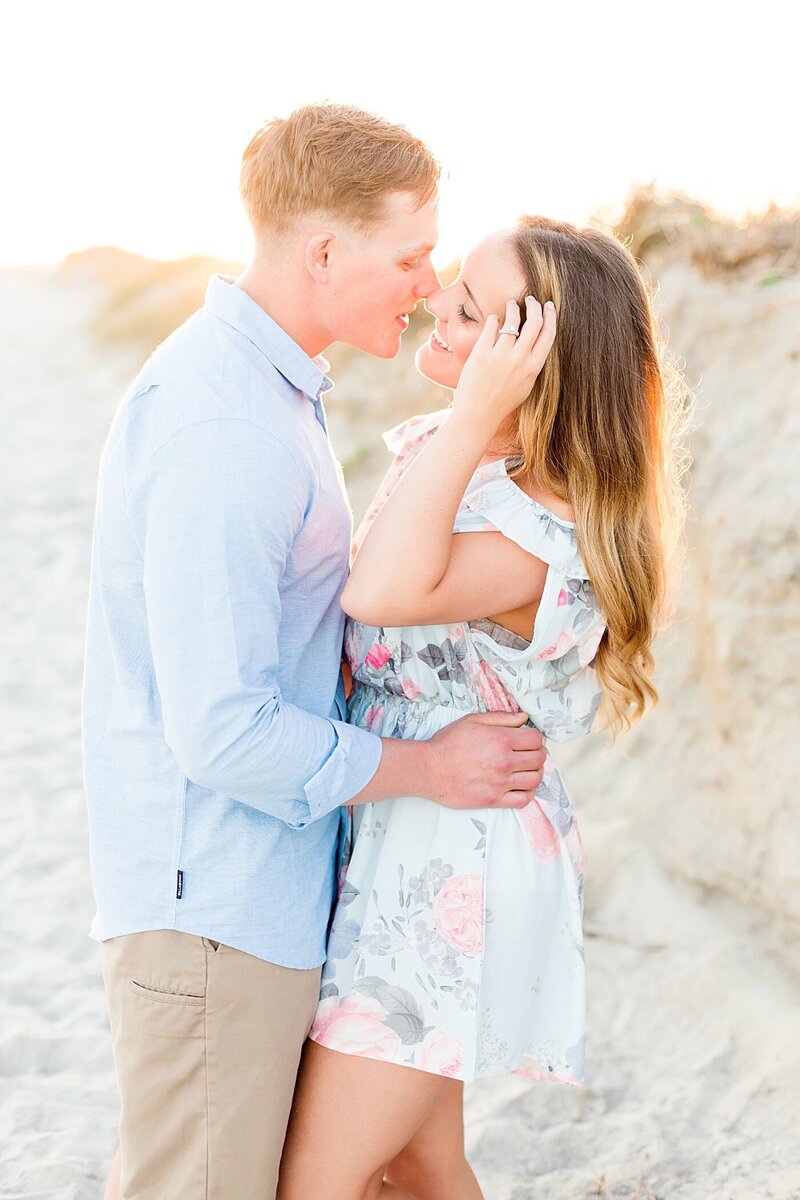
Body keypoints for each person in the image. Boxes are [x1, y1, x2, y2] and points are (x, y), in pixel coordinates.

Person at [87, 105, 549, 1200]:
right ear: (324, 252)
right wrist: (429, 769)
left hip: (262, 899)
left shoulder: (265, 394)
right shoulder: (227, 428)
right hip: (215, 914)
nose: (430, 286)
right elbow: (221, 728)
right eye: (410, 256)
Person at [276, 216, 689, 1199]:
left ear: (530, 366)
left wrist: (467, 419)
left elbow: (378, 594)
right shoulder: (477, 475)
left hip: (451, 860)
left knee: (314, 1182)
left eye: (472, 314)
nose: (436, 313)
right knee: (418, 1163)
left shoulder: (537, 530)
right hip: (423, 831)